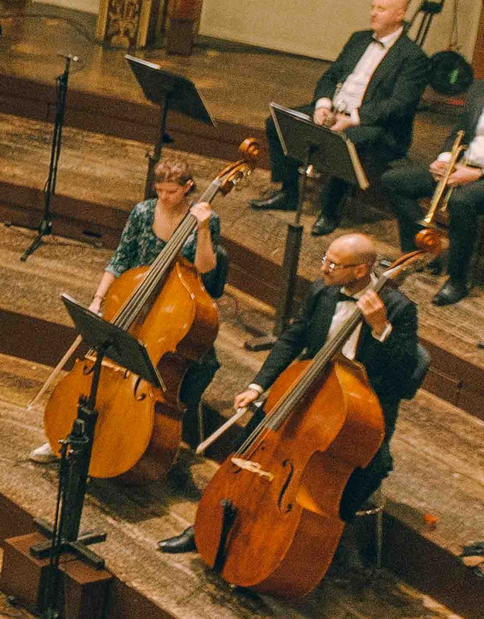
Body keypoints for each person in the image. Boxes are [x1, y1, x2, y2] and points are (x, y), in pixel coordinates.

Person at [157, 231, 420, 553]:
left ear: (360, 271)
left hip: (362, 410)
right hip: (308, 391)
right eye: (325, 259)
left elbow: (404, 377)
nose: (324, 268)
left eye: (333, 265)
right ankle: (205, 526)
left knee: (371, 467)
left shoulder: (398, 309)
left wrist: (381, 328)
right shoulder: (322, 291)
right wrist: (258, 385)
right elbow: (293, 339)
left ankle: (316, 540)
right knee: (249, 444)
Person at [28, 155, 228, 461]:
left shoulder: (207, 220)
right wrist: (98, 300)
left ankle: (153, 437)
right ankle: (66, 436)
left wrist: (202, 229)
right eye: (159, 190)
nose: (164, 197)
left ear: (188, 187)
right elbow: (121, 258)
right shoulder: (143, 212)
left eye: (172, 192)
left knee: (200, 365)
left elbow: (206, 268)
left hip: (174, 314)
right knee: (101, 365)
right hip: (133, 299)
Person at [251, 0, 429, 233]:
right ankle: (289, 192)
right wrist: (323, 105)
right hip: (336, 109)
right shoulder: (359, 39)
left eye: (381, 9)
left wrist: (353, 119)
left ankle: (330, 211)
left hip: (374, 124)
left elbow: (399, 104)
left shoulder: (413, 56)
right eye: (372, 7)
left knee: (345, 141)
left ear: (400, 15)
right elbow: (331, 75)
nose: (373, 13)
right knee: (277, 122)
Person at [380, 36, 484, 305]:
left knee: (462, 201)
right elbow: (459, 131)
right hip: (461, 167)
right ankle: (419, 253)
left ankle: (457, 279)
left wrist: (479, 174)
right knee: (393, 180)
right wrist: (445, 158)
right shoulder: (479, 89)